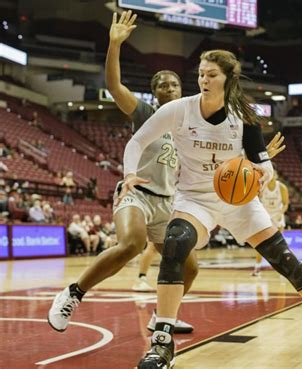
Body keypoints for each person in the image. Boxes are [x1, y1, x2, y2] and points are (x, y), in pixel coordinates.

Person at [117, 49, 302, 368]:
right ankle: (162, 340)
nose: (204, 79)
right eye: (201, 73)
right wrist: (130, 172)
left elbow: (265, 167)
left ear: (228, 79)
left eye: (212, 74)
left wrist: (255, 172)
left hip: (237, 201)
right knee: (174, 244)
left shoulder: (243, 117)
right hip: (195, 199)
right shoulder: (179, 110)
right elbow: (137, 142)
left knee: (286, 261)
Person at [47, 10, 285, 335]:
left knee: (190, 269)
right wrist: (115, 44)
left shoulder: (191, 118)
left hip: (170, 204)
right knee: (131, 244)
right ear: (155, 91)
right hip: (139, 193)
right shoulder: (146, 113)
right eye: (164, 84)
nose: (171, 88)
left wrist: (256, 158)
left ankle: (162, 315)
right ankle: (73, 293)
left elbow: (221, 159)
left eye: (175, 83)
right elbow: (115, 86)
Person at [252, 170, 288, 276]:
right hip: (266, 214)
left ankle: (284, 269)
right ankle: (257, 268)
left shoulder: (281, 187)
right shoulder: (262, 186)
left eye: (274, 174)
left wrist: (280, 213)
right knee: (260, 243)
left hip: (277, 215)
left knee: (279, 245)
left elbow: (286, 204)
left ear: (276, 175)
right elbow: (257, 201)